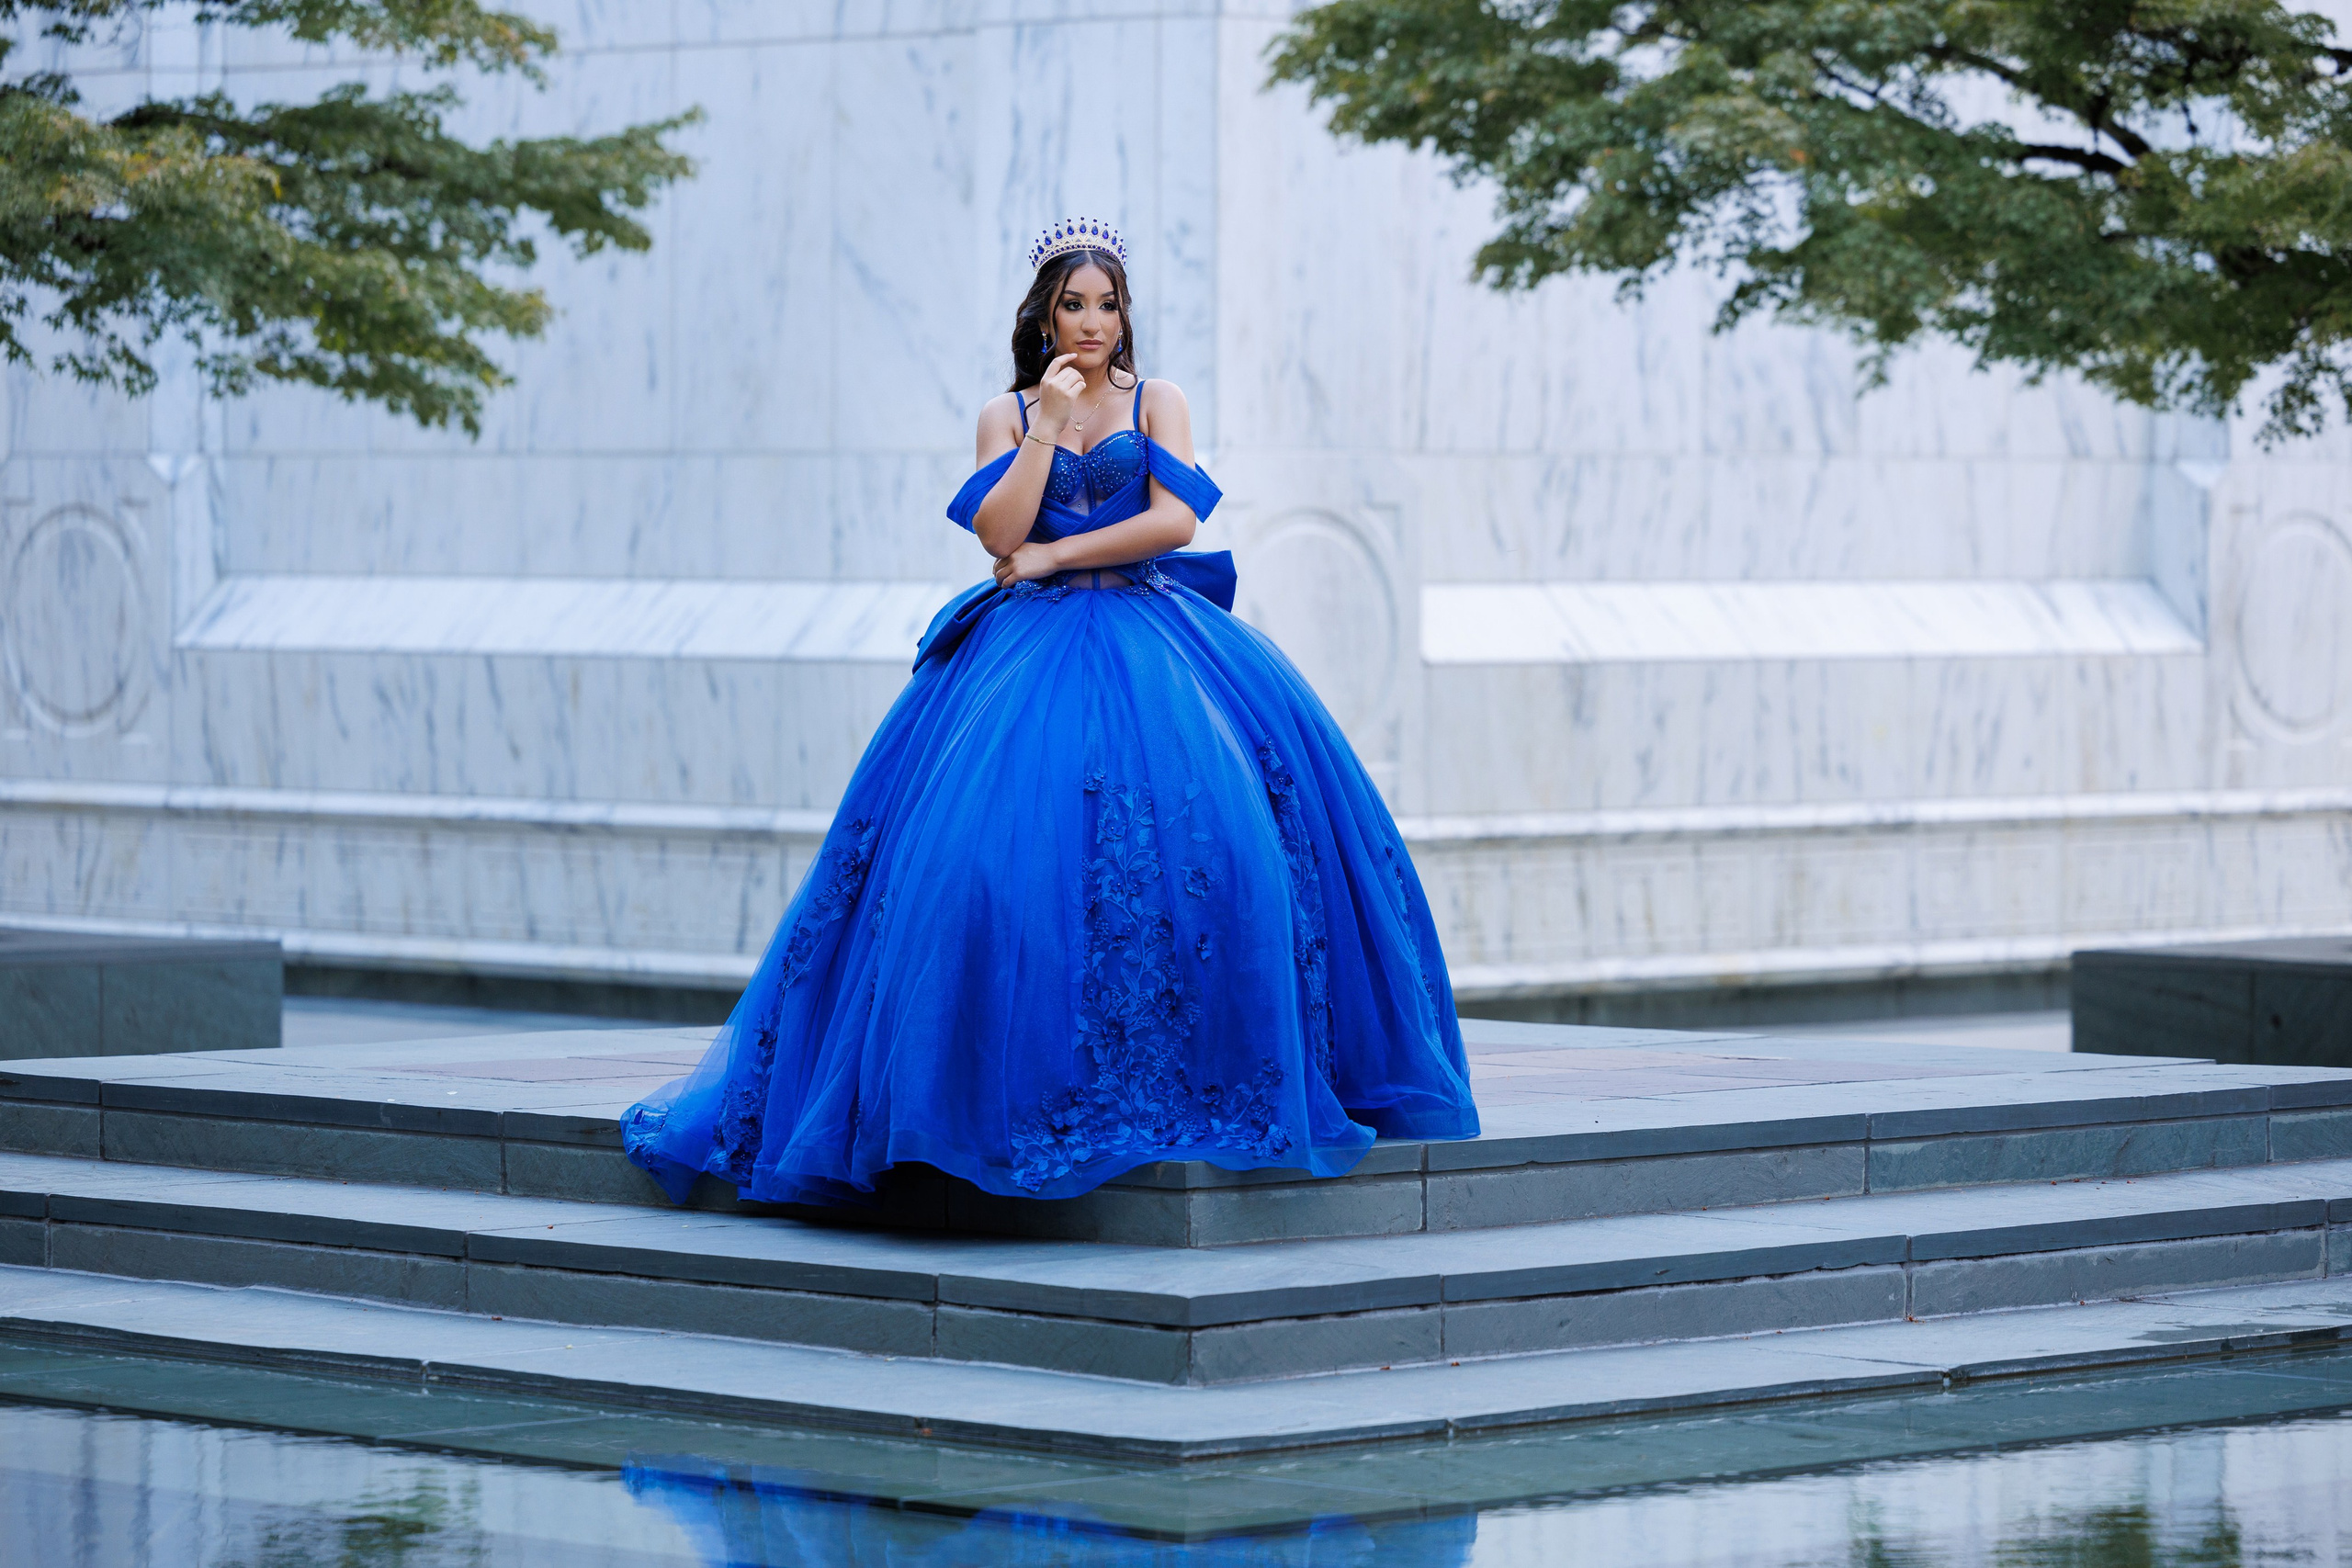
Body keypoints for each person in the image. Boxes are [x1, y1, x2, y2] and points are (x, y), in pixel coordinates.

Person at [622, 219, 1477, 1208]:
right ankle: (968, 1100)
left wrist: (1055, 557)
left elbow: (1175, 521)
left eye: (1107, 304)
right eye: (1073, 304)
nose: (1092, 323)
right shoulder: (1007, 411)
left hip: (1150, 637)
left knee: (1217, 848)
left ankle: (1197, 1066)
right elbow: (996, 527)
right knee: (984, 866)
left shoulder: (1156, 399)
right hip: (1021, 658)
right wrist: (1045, 430)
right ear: (1043, 313)